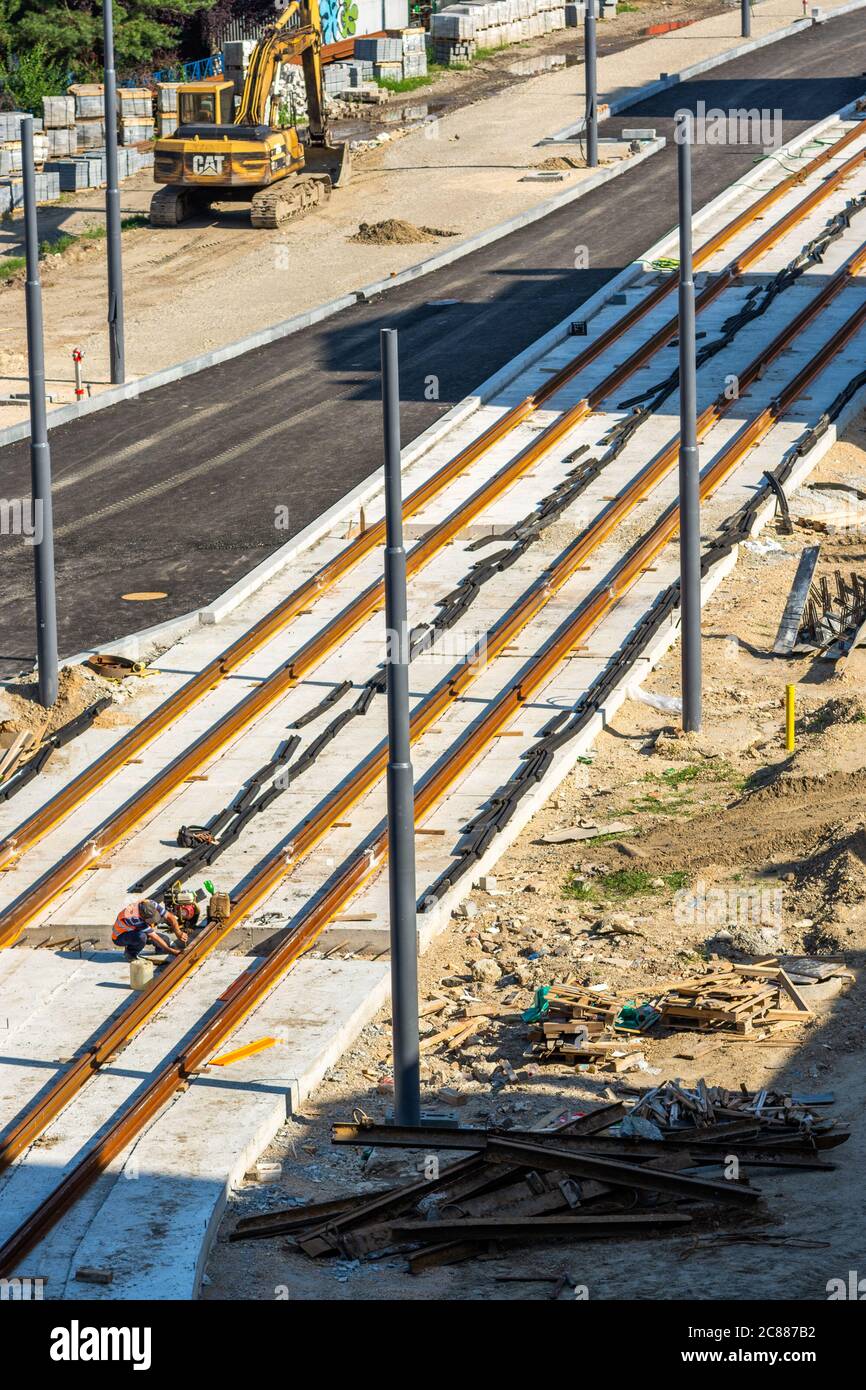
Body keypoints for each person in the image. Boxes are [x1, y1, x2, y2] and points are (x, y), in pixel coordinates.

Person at [112, 898, 189, 961]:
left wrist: (178, 932)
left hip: (136, 930)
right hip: (120, 937)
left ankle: (160, 949)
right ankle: (130, 953)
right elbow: (154, 936)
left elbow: (170, 916)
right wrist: (171, 951)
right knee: (142, 937)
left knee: (166, 941)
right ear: (142, 916)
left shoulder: (151, 903)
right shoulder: (133, 917)